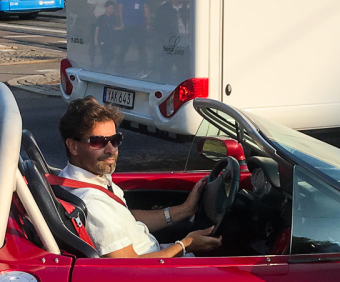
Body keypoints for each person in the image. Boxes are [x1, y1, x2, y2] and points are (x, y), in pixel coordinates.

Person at [56, 97, 221, 259]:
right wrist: (185, 245)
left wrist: (185, 209)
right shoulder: (93, 202)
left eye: (115, 140)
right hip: (153, 275)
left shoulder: (81, 177)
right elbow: (129, 265)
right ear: (73, 146)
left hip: (156, 254)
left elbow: (127, 220)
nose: (111, 149)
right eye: (98, 142)